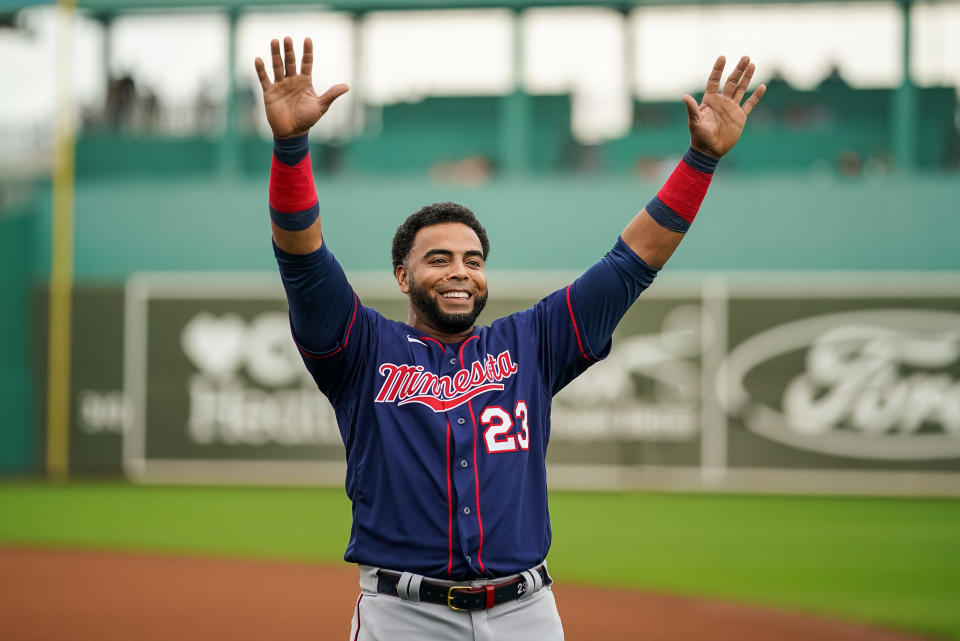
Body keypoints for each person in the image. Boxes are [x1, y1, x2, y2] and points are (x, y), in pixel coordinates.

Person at [255, 36, 764, 641]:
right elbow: (303, 261)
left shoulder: (533, 343)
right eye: (438, 259)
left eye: (472, 259)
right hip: (404, 615)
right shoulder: (361, 351)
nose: (459, 272)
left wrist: (700, 161)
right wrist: (291, 147)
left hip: (525, 611)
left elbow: (631, 263)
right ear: (403, 276)